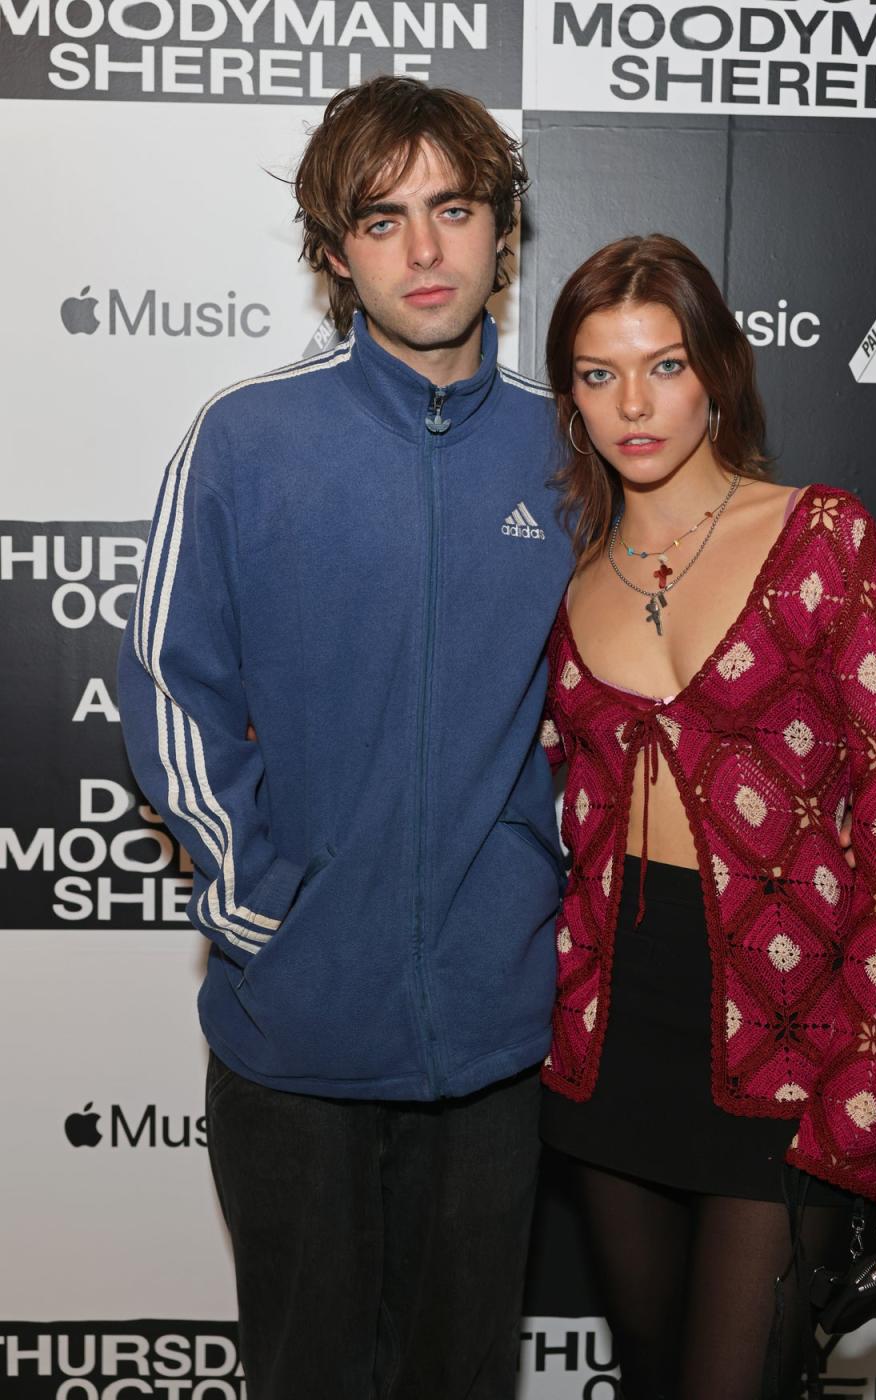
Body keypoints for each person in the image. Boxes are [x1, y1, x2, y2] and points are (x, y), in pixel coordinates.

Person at [117, 77, 572, 1400]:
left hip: (494, 1037)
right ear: (334, 253)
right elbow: (165, 681)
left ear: (502, 233)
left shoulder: (569, 453)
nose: (424, 250)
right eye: (383, 219)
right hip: (292, 1032)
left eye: (453, 209)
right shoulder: (247, 441)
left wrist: (538, 915)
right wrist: (262, 904)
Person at [537, 234, 876, 1400]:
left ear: (715, 369)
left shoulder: (825, 537)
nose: (634, 404)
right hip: (608, 1043)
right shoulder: (566, 583)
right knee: (659, 1378)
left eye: (662, 365)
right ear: (570, 395)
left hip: (793, 1039)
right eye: (599, 374)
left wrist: (866, 1080)